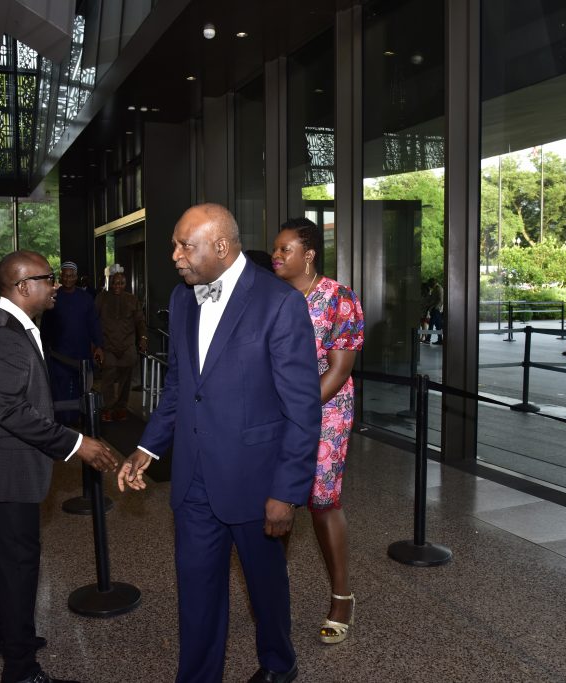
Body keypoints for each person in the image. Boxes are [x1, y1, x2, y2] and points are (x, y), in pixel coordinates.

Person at [118, 203, 321, 683]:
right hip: (193, 482)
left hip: (255, 481)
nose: (175, 256)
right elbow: (180, 389)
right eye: (176, 244)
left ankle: (278, 663)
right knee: (197, 592)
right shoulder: (183, 298)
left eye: (185, 246)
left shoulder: (278, 303)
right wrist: (147, 449)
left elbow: (302, 408)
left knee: (265, 586)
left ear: (222, 247)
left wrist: (287, 492)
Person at [0, 250, 118, 683]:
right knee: (19, 567)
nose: (55, 285)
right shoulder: (5, 334)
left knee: (2, 560)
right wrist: (76, 444)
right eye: (47, 278)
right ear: (24, 286)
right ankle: (21, 668)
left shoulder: (13, 326)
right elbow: (11, 411)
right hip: (5, 471)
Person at [272, 218, 365, 646]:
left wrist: (300, 411)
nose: (276, 256)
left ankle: (342, 596)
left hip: (325, 411)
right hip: (275, 413)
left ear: (307, 255)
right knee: (279, 497)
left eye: (284, 249)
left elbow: (340, 368)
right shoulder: (270, 298)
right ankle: (275, 593)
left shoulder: (338, 298)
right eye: (275, 250)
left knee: (323, 501)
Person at [39, 261, 103, 426]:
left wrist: (98, 345)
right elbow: (45, 326)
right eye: (64, 275)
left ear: (76, 277)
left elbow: (94, 324)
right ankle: (61, 425)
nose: (67, 278)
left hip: (81, 355)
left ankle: (76, 422)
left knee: (80, 390)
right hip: (58, 355)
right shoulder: (53, 297)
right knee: (59, 391)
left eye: (71, 275)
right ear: (61, 276)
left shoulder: (86, 299)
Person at [94, 270, 147, 422]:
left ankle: (121, 408)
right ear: (110, 283)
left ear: (125, 284)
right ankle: (108, 408)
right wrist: (95, 344)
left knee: (126, 380)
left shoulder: (131, 299)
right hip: (108, 346)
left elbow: (140, 322)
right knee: (108, 380)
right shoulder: (101, 298)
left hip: (127, 347)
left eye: (121, 283)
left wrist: (143, 338)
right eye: (115, 283)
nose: (117, 286)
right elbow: (93, 320)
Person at [423, 277, 444, 344]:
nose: (429, 285)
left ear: (433, 282)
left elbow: (440, 299)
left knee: (432, 324)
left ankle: (428, 339)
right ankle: (440, 339)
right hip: (433, 309)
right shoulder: (435, 288)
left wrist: (436, 307)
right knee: (437, 325)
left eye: (430, 283)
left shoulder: (439, 288)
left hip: (436, 309)